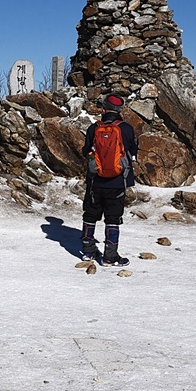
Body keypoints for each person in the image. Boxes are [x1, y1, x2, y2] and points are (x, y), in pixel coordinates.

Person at [81, 93, 138, 265]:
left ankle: (88, 252)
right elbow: (133, 152)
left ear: (103, 108)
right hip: (117, 182)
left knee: (90, 215)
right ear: (120, 109)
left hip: (95, 181)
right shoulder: (126, 129)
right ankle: (110, 256)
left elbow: (85, 152)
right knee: (113, 218)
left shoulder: (93, 128)